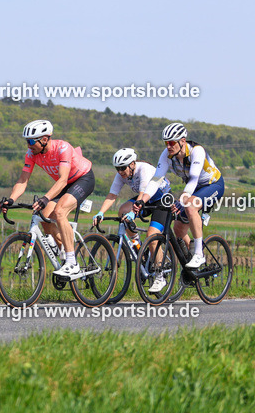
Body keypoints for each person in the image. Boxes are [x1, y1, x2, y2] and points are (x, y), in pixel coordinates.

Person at [0, 119, 95, 276]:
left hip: (83, 179)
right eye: (26, 141)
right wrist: (11, 199)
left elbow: (63, 179)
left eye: (31, 141)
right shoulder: (31, 153)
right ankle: (65, 252)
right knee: (44, 216)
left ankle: (73, 263)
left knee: (59, 212)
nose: (28, 145)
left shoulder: (62, 148)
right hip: (64, 184)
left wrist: (45, 198)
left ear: (44, 139)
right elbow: (23, 181)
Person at [92, 148, 173, 292]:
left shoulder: (144, 170)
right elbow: (112, 195)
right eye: (117, 168)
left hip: (161, 200)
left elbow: (142, 194)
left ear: (132, 164)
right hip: (145, 200)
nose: (120, 171)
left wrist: (133, 214)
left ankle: (160, 277)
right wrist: (100, 213)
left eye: (123, 168)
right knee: (122, 210)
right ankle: (139, 246)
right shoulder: (121, 175)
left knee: (152, 235)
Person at [149, 123, 225, 269]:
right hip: (194, 189)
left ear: (182, 141)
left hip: (213, 185)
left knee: (190, 207)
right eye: (166, 143)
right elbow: (156, 179)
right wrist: (142, 200)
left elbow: (194, 179)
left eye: (171, 142)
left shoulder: (197, 151)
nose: (168, 146)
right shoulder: (167, 155)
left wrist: (183, 199)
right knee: (178, 228)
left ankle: (199, 254)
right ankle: (190, 265)